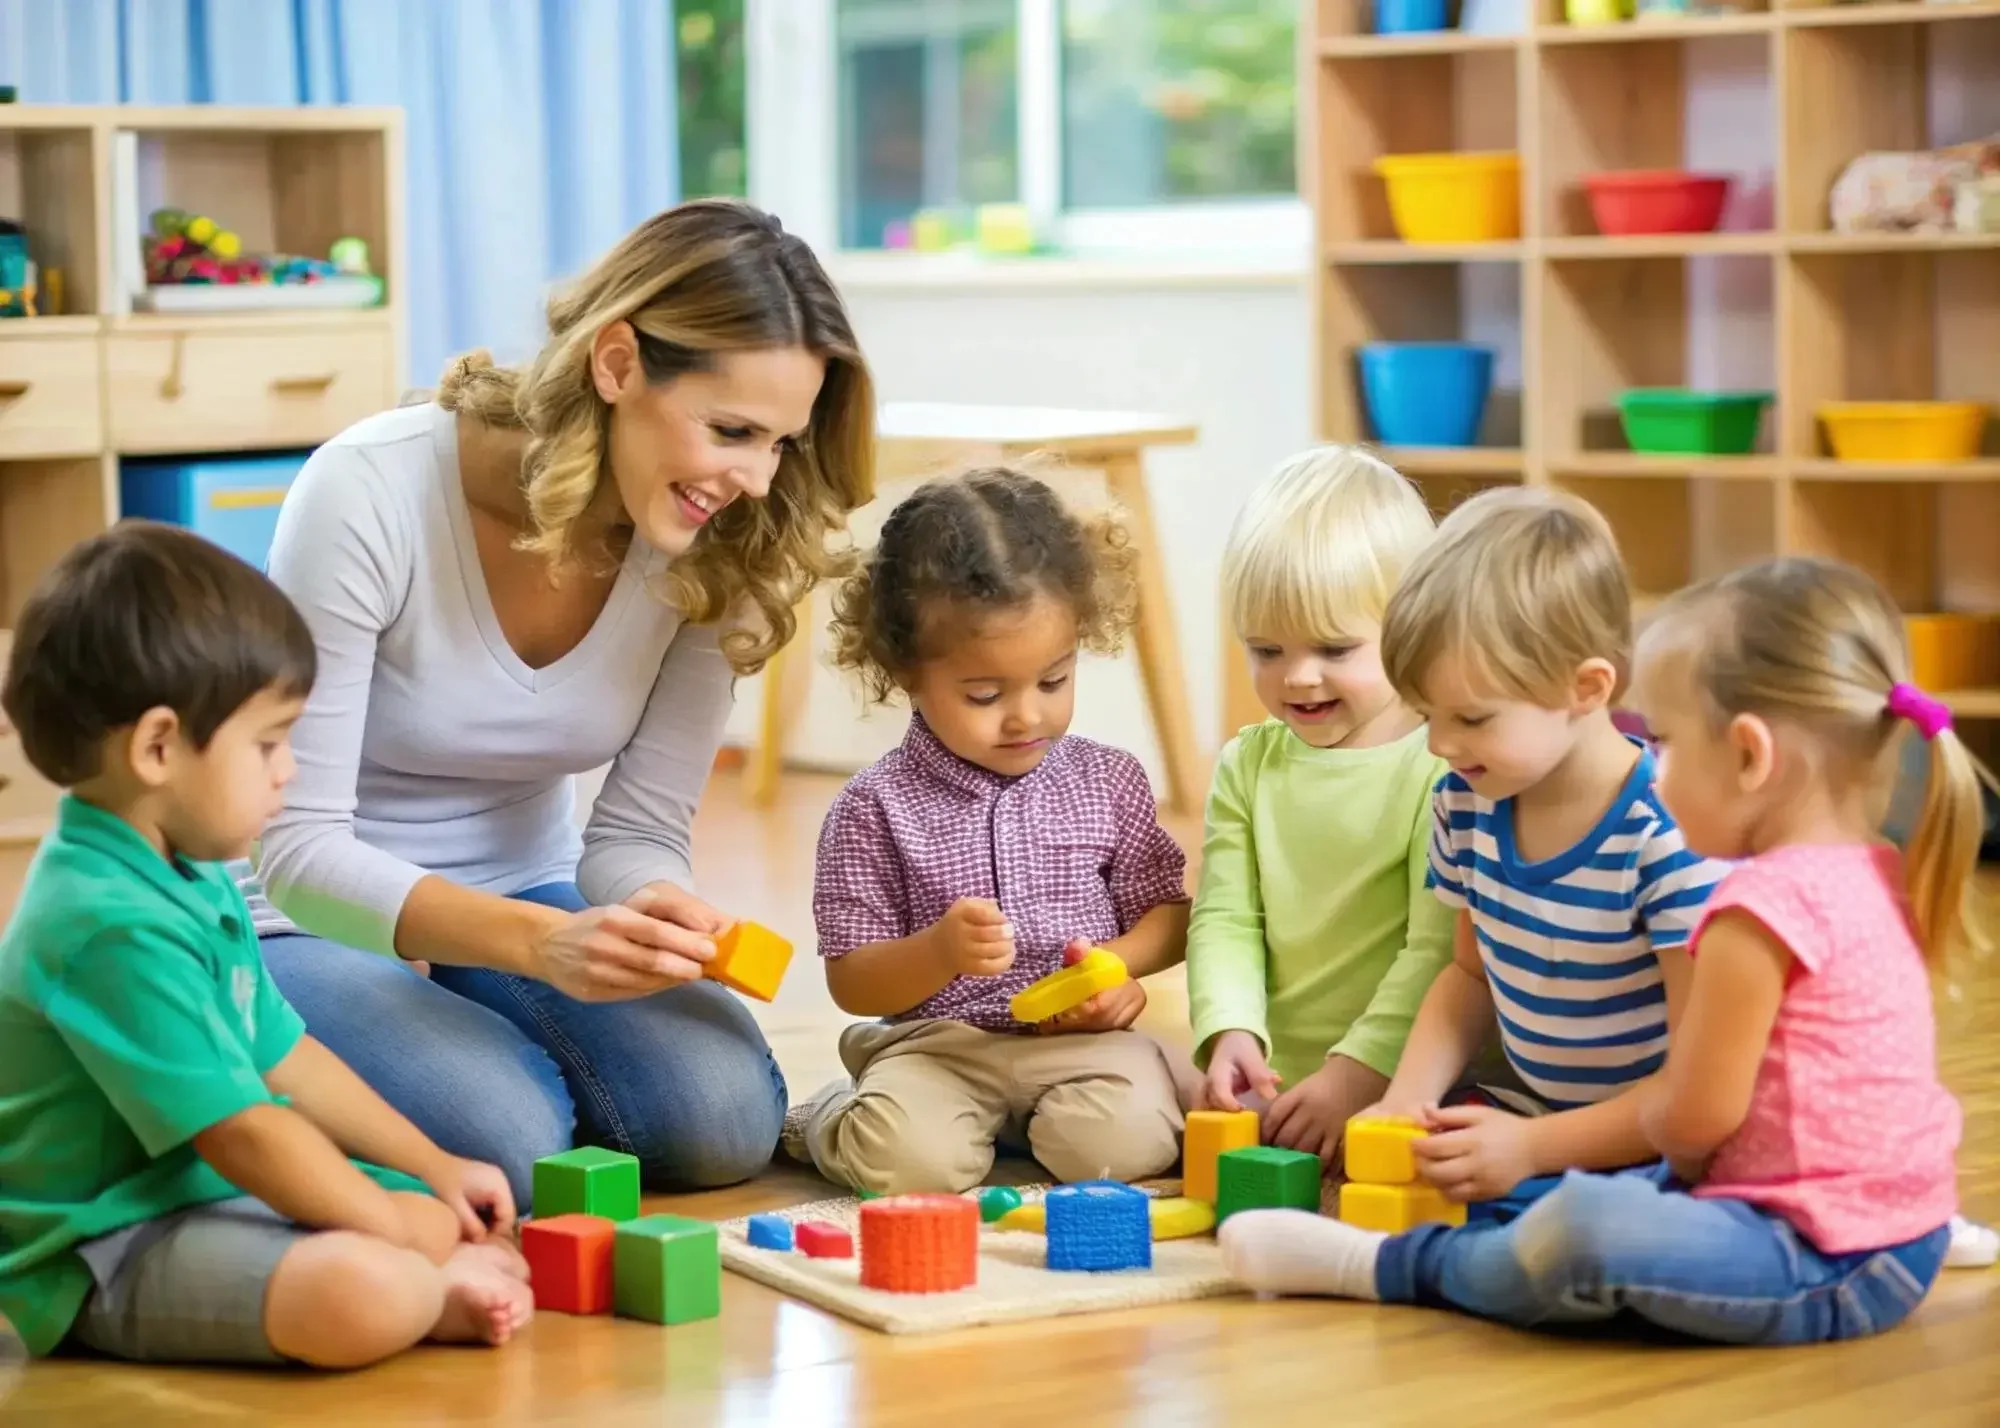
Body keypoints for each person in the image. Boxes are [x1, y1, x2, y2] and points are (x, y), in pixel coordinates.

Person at [246, 199, 877, 1207]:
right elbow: (294, 849)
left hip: (524, 893)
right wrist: (539, 949)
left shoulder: (718, 544)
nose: (756, 480)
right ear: (617, 363)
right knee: (507, 1133)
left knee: (718, 1120)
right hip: (300, 917)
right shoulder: (368, 492)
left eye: (779, 444)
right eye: (731, 431)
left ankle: (444, 1047)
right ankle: (246, 1082)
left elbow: (631, 832)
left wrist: (649, 905)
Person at [1222, 555, 1986, 1345]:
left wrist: (1536, 1148)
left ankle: (1386, 1267)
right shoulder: (1872, 867)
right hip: (1888, 1228)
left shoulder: (1752, 915)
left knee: (1584, 1230)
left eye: (1666, 741)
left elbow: (1694, 1123)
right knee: (1552, 1199)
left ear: (1751, 757)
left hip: (1819, 1252)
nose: (1656, 765)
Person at [0, 524, 531, 1368]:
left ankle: (428, 1275)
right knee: (370, 1282)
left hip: (200, 1193)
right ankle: (426, 1296)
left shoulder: (188, 863)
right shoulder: (104, 923)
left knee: (441, 1216)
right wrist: (392, 1230)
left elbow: (283, 1053)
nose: (289, 771)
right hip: (103, 1244)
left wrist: (431, 1167)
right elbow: (241, 1133)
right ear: (159, 747)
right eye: (268, 744)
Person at [791, 468, 1189, 1194]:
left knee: (1129, 1149)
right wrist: (939, 951)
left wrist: (1114, 971)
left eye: (1053, 681)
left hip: (1085, 1045)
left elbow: (1169, 916)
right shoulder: (872, 806)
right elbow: (851, 977)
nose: (1026, 717)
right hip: (939, 1046)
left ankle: (1013, 1128)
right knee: (904, 1166)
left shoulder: (1108, 780)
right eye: (984, 694)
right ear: (904, 671)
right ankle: (831, 1116)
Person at [1187, 447, 1453, 1166]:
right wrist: (1231, 1031)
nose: (1298, 677)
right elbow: (1225, 919)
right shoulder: (1248, 764)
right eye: (1265, 649)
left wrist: (1356, 1075)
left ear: (1412, 628)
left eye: (1335, 648)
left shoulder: (1444, 768)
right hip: (1278, 1082)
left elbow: (1435, 952)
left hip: (1407, 1081)